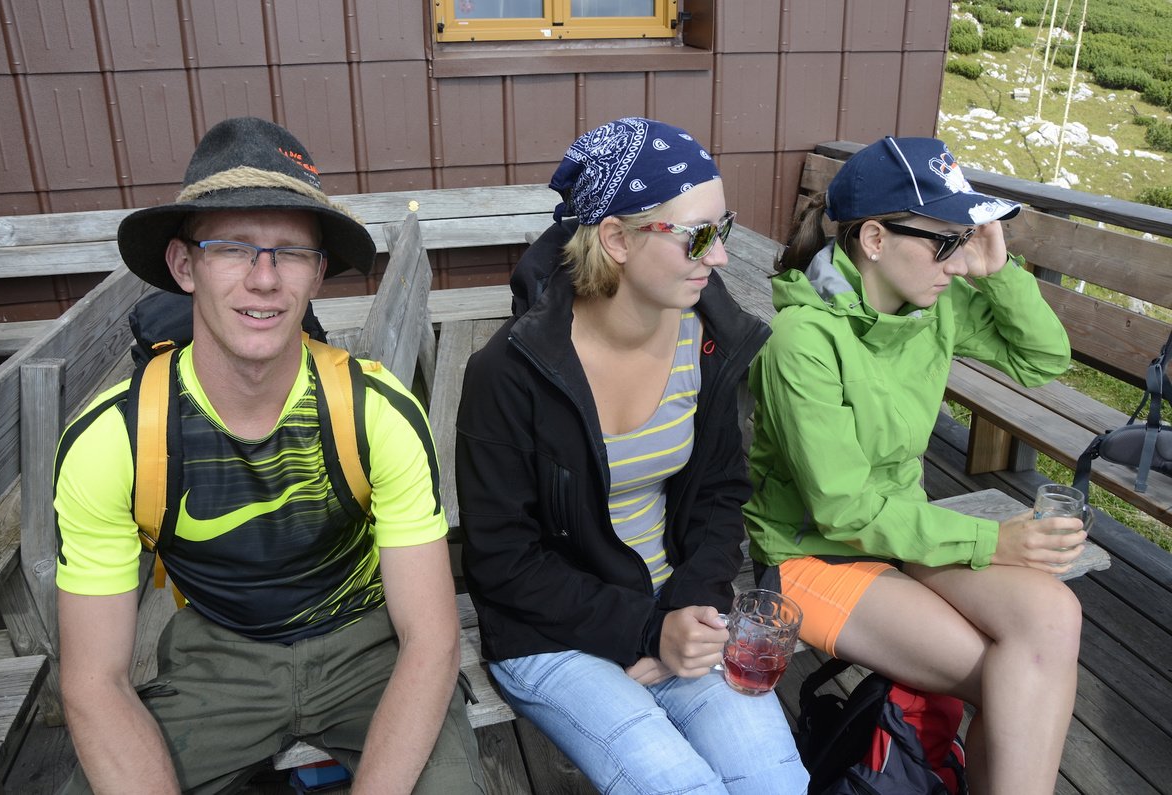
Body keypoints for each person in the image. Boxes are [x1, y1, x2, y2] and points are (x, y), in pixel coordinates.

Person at [53, 116, 484, 795]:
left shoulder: (373, 412)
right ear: (184, 265)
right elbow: (93, 680)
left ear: (318, 273)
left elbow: (431, 639)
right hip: (220, 649)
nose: (264, 278)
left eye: (291, 251)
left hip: (367, 643)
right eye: (232, 247)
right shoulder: (117, 439)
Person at [456, 117, 809, 794]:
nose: (720, 256)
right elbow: (502, 561)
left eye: (724, 228)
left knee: (777, 784)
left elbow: (719, 495)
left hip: (675, 603)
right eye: (697, 235)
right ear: (616, 239)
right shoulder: (509, 372)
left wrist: (686, 612)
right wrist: (647, 631)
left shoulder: (708, 340)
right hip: (551, 630)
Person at [743, 135, 1085, 795]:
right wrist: (993, 541)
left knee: (1053, 615)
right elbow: (841, 510)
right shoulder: (802, 341)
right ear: (875, 238)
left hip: (904, 535)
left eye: (965, 239)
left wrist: (998, 271)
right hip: (812, 556)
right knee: (1015, 674)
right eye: (946, 241)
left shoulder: (931, 306)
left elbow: (1042, 359)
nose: (958, 262)